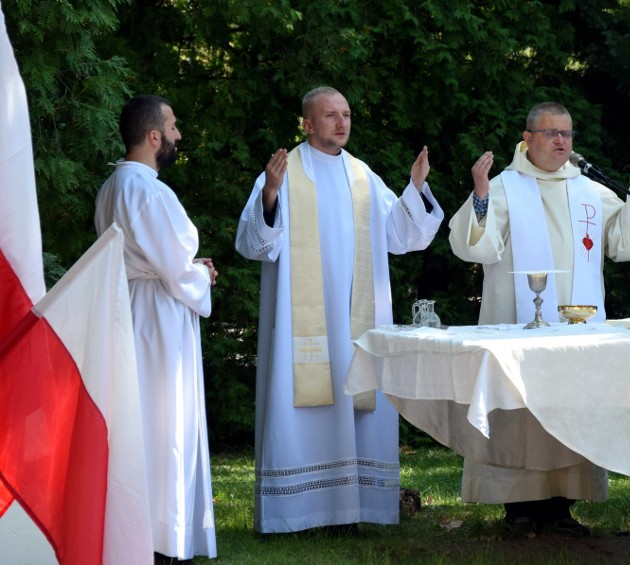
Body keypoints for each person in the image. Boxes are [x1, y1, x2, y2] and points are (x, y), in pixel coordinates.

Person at [448, 101, 630, 536]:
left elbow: (626, 241)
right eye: (551, 134)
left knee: (573, 405)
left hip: (577, 331)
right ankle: (518, 508)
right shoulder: (505, 188)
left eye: (567, 134)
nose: (560, 142)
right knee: (520, 410)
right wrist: (479, 196)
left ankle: (562, 505)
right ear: (527, 139)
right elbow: (477, 247)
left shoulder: (589, 189)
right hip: (519, 325)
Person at [235, 86, 444, 534]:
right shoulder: (284, 172)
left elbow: (400, 237)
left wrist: (416, 188)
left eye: (346, 114)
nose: (342, 122)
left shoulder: (362, 176)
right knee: (306, 402)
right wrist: (270, 193)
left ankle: (350, 510)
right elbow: (255, 243)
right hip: (305, 323)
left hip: (355, 319)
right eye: (330, 115)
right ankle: (300, 514)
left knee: (353, 400)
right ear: (308, 124)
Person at [94, 95, 218, 564]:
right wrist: (201, 274)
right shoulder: (147, 190)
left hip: (131, 308)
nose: (178, 135)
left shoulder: (112, 186)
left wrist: (185, 267)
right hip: (157, 319)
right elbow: (171, 266)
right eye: (173, 126)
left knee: (139, 418)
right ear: (153, 137)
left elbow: (157, 258)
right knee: (164, 419)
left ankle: (136, 531)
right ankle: (161, 540)